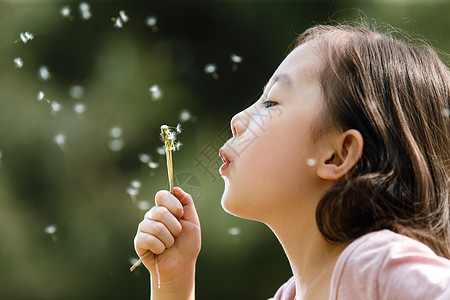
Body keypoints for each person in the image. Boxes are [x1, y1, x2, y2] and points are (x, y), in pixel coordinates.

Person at [133, 23, 450, 299]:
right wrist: (173, 282)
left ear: (336, 155)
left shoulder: (374, 266)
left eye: (271, 103)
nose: (238, 120)